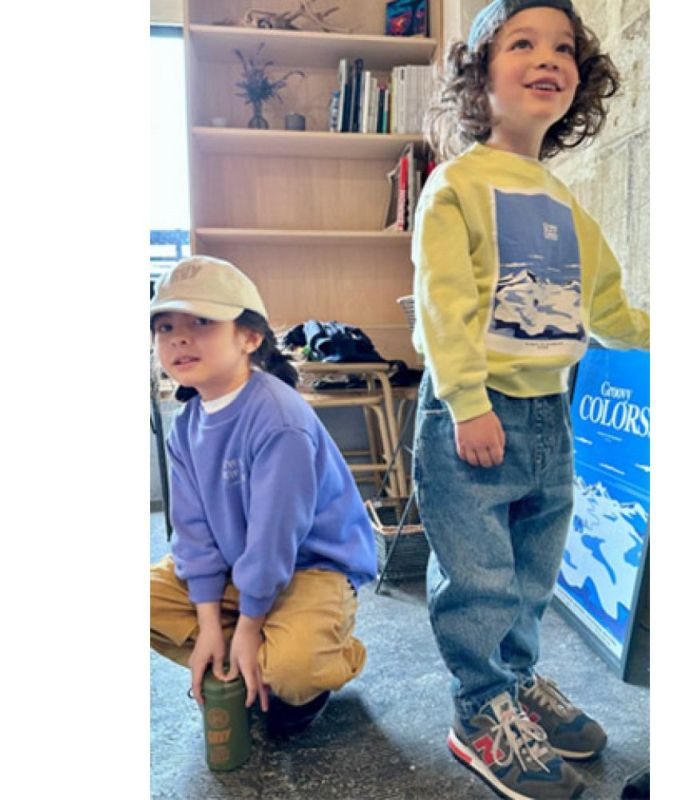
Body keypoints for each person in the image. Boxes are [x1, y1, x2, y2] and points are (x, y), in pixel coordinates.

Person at [412, 1, 649, 797]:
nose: (548, 58)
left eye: (564, 48)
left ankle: (515, 684)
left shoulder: (564, 202)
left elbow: (607, 309)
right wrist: (467, 402)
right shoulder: (455, 186)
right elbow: (443, 306)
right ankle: (480, 710)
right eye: (523, 43)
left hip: (550, 415)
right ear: (479, 77)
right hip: (473, 413)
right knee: (479, 577)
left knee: (532, 573)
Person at [149, 255, 377, 736]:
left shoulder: (278, 418)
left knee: (294, 670)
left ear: (250, 337)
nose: (179, 338)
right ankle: (245, 659)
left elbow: (275, 539)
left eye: (202, 321)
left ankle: (317, 653)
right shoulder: (186, 426)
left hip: (311, 568)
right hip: (240, 565)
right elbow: (192, 534)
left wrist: (249, 625)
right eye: (165, 327)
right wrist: (208, 626)